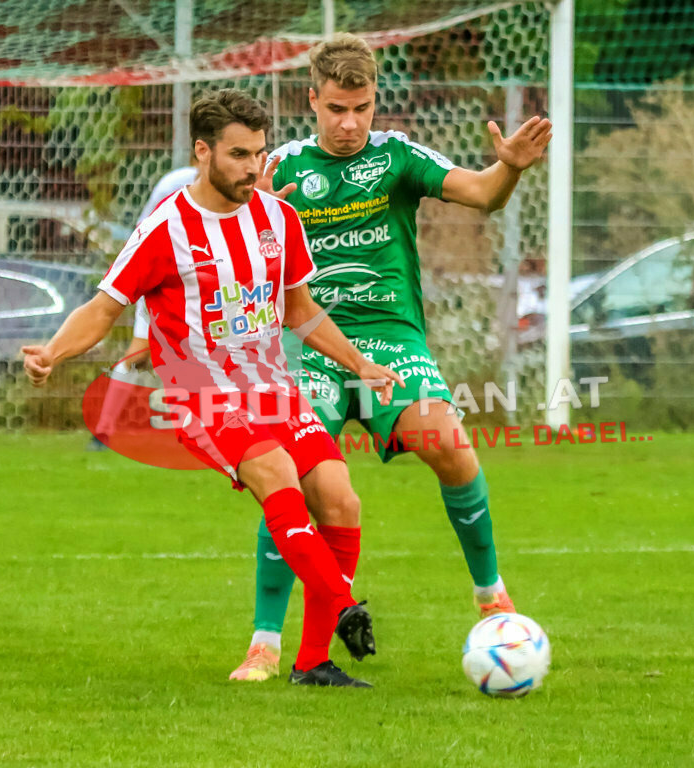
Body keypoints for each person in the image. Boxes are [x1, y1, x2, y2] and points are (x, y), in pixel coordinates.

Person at [23, 88, 405, 688]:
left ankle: (312, 663)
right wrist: (52, 351)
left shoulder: (278, 218)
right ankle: (343, 606)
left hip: (273, 387)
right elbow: (102, 310)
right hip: (203, 397)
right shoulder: (166, 229)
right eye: (237, 155)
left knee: (340, 497)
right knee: (277, 473)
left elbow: (299, 310)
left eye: (258, 152)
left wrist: (359, 363)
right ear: (203, 152)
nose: (253, 167)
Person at [228, 34, 552, 682]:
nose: (350, 124)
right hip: (308, 345)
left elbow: (482, 193)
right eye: (338, 108)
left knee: (449, 440)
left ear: (376, 103)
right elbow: (239, 264)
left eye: (363, 108)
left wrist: (510, 166)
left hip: (390, 342)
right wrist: (254, 214)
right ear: (312, 100)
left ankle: (490, 591)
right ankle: (265, 642)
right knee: (288, 472)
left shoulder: (397, 156)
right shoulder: (281, 168)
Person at [88, 164, 200, 450]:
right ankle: (103, 430)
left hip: (203, 283)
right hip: (164, 281)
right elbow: (146, 227)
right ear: (202, 152)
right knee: (138, 354)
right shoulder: (175, 182)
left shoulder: (236, 185)